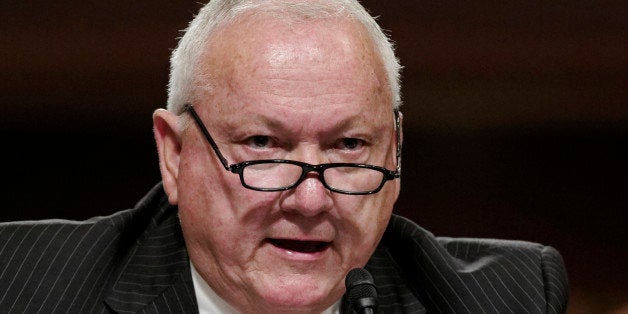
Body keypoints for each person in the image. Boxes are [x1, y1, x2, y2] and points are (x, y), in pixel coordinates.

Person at [0, 0, 568, 313]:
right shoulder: (22, 284)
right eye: (263, 145)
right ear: (173, 155)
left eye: (349, 147)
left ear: (395, 154)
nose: (311, 198)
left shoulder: (504, 297)